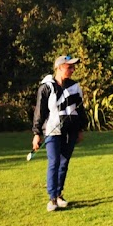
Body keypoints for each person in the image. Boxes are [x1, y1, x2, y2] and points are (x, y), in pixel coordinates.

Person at [32, 55, 87, 212]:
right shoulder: (46, 87)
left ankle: (59, 194)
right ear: (59, 67)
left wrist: (81, 129)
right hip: (52, 130)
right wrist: (37, 133)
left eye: (73, 67)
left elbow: (80, 109)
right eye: (69, 67)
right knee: (54, 162)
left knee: (64, 163)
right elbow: (39, 111)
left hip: (71, 130)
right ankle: (52, 198)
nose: (73, 69)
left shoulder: (75, 87)